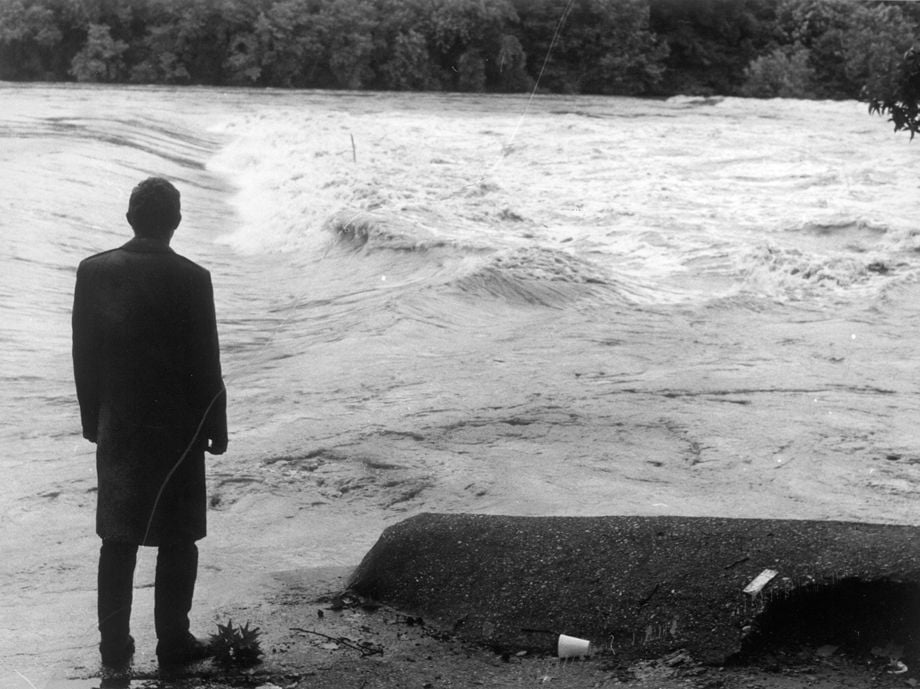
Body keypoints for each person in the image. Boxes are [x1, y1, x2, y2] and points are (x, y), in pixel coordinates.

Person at [72, 177, 228, 667]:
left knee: (117, 539)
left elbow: (83, 356)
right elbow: (207, 363)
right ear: (176, 222)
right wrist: (217, 426)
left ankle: (114, 649)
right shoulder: (192, 277)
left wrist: (92, 419)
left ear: (129, 218)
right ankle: (173, 641)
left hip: (117, 424)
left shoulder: (93, 271)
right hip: (178, 429)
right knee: (178, 537)